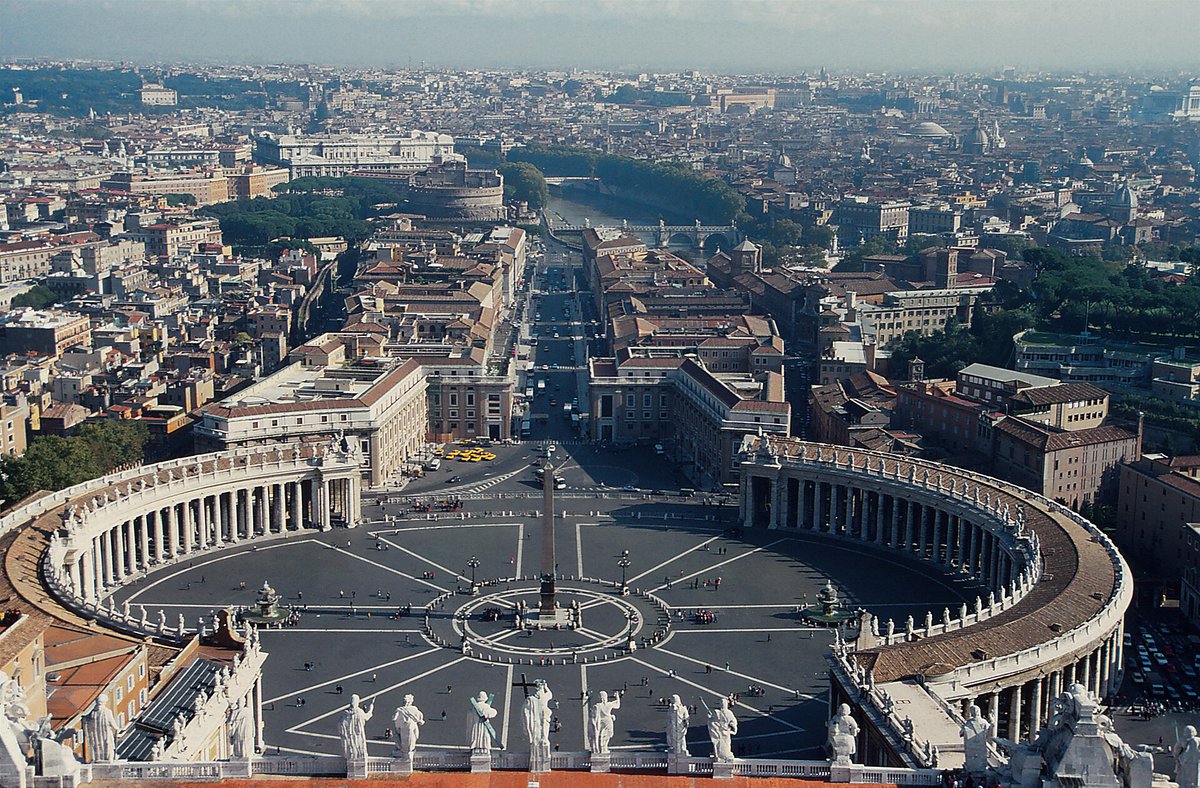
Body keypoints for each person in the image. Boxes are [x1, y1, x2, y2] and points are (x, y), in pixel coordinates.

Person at [82, 691, 118, 762]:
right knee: (107, 745)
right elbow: (113, 724)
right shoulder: (107, 712)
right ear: (105, 702)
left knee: (96, 746)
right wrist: (117, 729)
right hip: (105, 735)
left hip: (95, 736)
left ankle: (97, 758)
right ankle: (107, 759)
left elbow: (85, 720)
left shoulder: (92, 712)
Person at [338, 694, 375, 761]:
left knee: (351, 748)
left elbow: (340, 724)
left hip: (349, 736)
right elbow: (367, 717)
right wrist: (371, 709)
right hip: (358, 734)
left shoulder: (345, 713)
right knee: (359, 747)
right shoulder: (359, 712)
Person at [393, 694, 425, 762]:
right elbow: (420, 716)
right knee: (411, 740)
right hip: (411, 727)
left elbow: (395, 719)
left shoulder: (399, 709)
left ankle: (405, 752)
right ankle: (408, 752)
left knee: (405, 741)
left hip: (404, 727)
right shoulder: (413, 708)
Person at [587, 690, 621, 754]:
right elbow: (618, 705)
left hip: (601, 723)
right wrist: (617, 697)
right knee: (607, 736)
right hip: (608, 722)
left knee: (601, 736)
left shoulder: (597, 706)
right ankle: (604, 748)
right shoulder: (609, 704)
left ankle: (601, 749)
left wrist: (595, 726)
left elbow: (595, 717)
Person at [707, 698, 738, 762]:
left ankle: (719, 755)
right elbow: (734, 722)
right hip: (726, 732)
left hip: (719, 732)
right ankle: (725, 755)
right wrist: (734, 729)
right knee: (726, 745)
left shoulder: (717, 713)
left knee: (719, 745)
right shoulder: (729, 713)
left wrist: (709, 718)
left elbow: (712, 721)